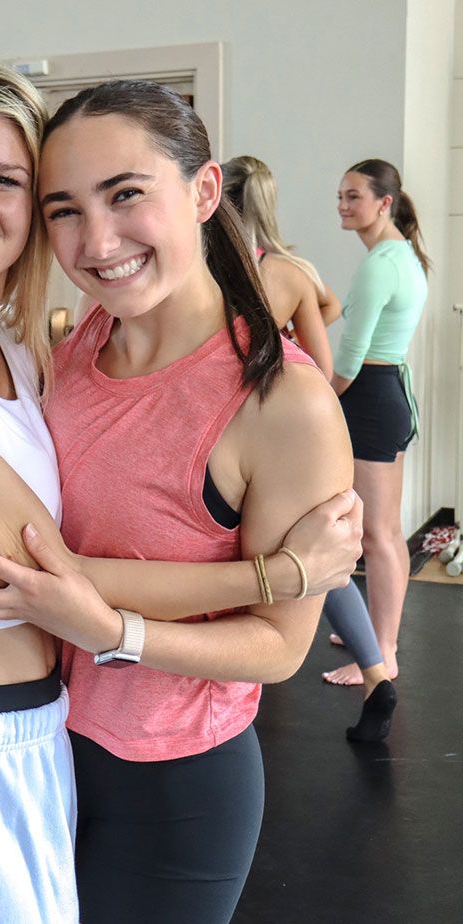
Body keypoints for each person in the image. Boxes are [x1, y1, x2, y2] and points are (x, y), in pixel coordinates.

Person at [0, 63, 361, 923]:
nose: (97, 240)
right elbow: (47, 571)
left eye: (6, 181)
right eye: (66, 206)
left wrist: (129, 629)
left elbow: (281, 651)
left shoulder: (265, 399)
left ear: (206, 190)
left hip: (148, 765)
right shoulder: (31, 359)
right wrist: (277, 575)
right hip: (14, 746)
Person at [221, 155, 395, 741]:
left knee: (278, 566)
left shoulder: (208, 269)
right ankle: (376, 674)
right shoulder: (291, 271)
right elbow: (320, 364)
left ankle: (235, 681)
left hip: (228, 437)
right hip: (295, 435)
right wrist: (286, 338)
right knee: (322, 560)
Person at [321, 160, 429, 712]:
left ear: (384, 202)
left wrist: (318, 397)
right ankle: (380, 634)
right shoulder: (397, 256)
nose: (343, 204)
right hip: (387, 394)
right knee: (383, 531)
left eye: (354, 196)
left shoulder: (381, 264)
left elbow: (351, 357)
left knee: (379, 536)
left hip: (370, 394)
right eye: (340, 195)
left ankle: (382, 651)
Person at [221, 155, 338, 379]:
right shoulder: (293, 274)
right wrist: (281, 344)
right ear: (267, 205)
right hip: (263, 398)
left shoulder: (195, 269)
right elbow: (323, 370)